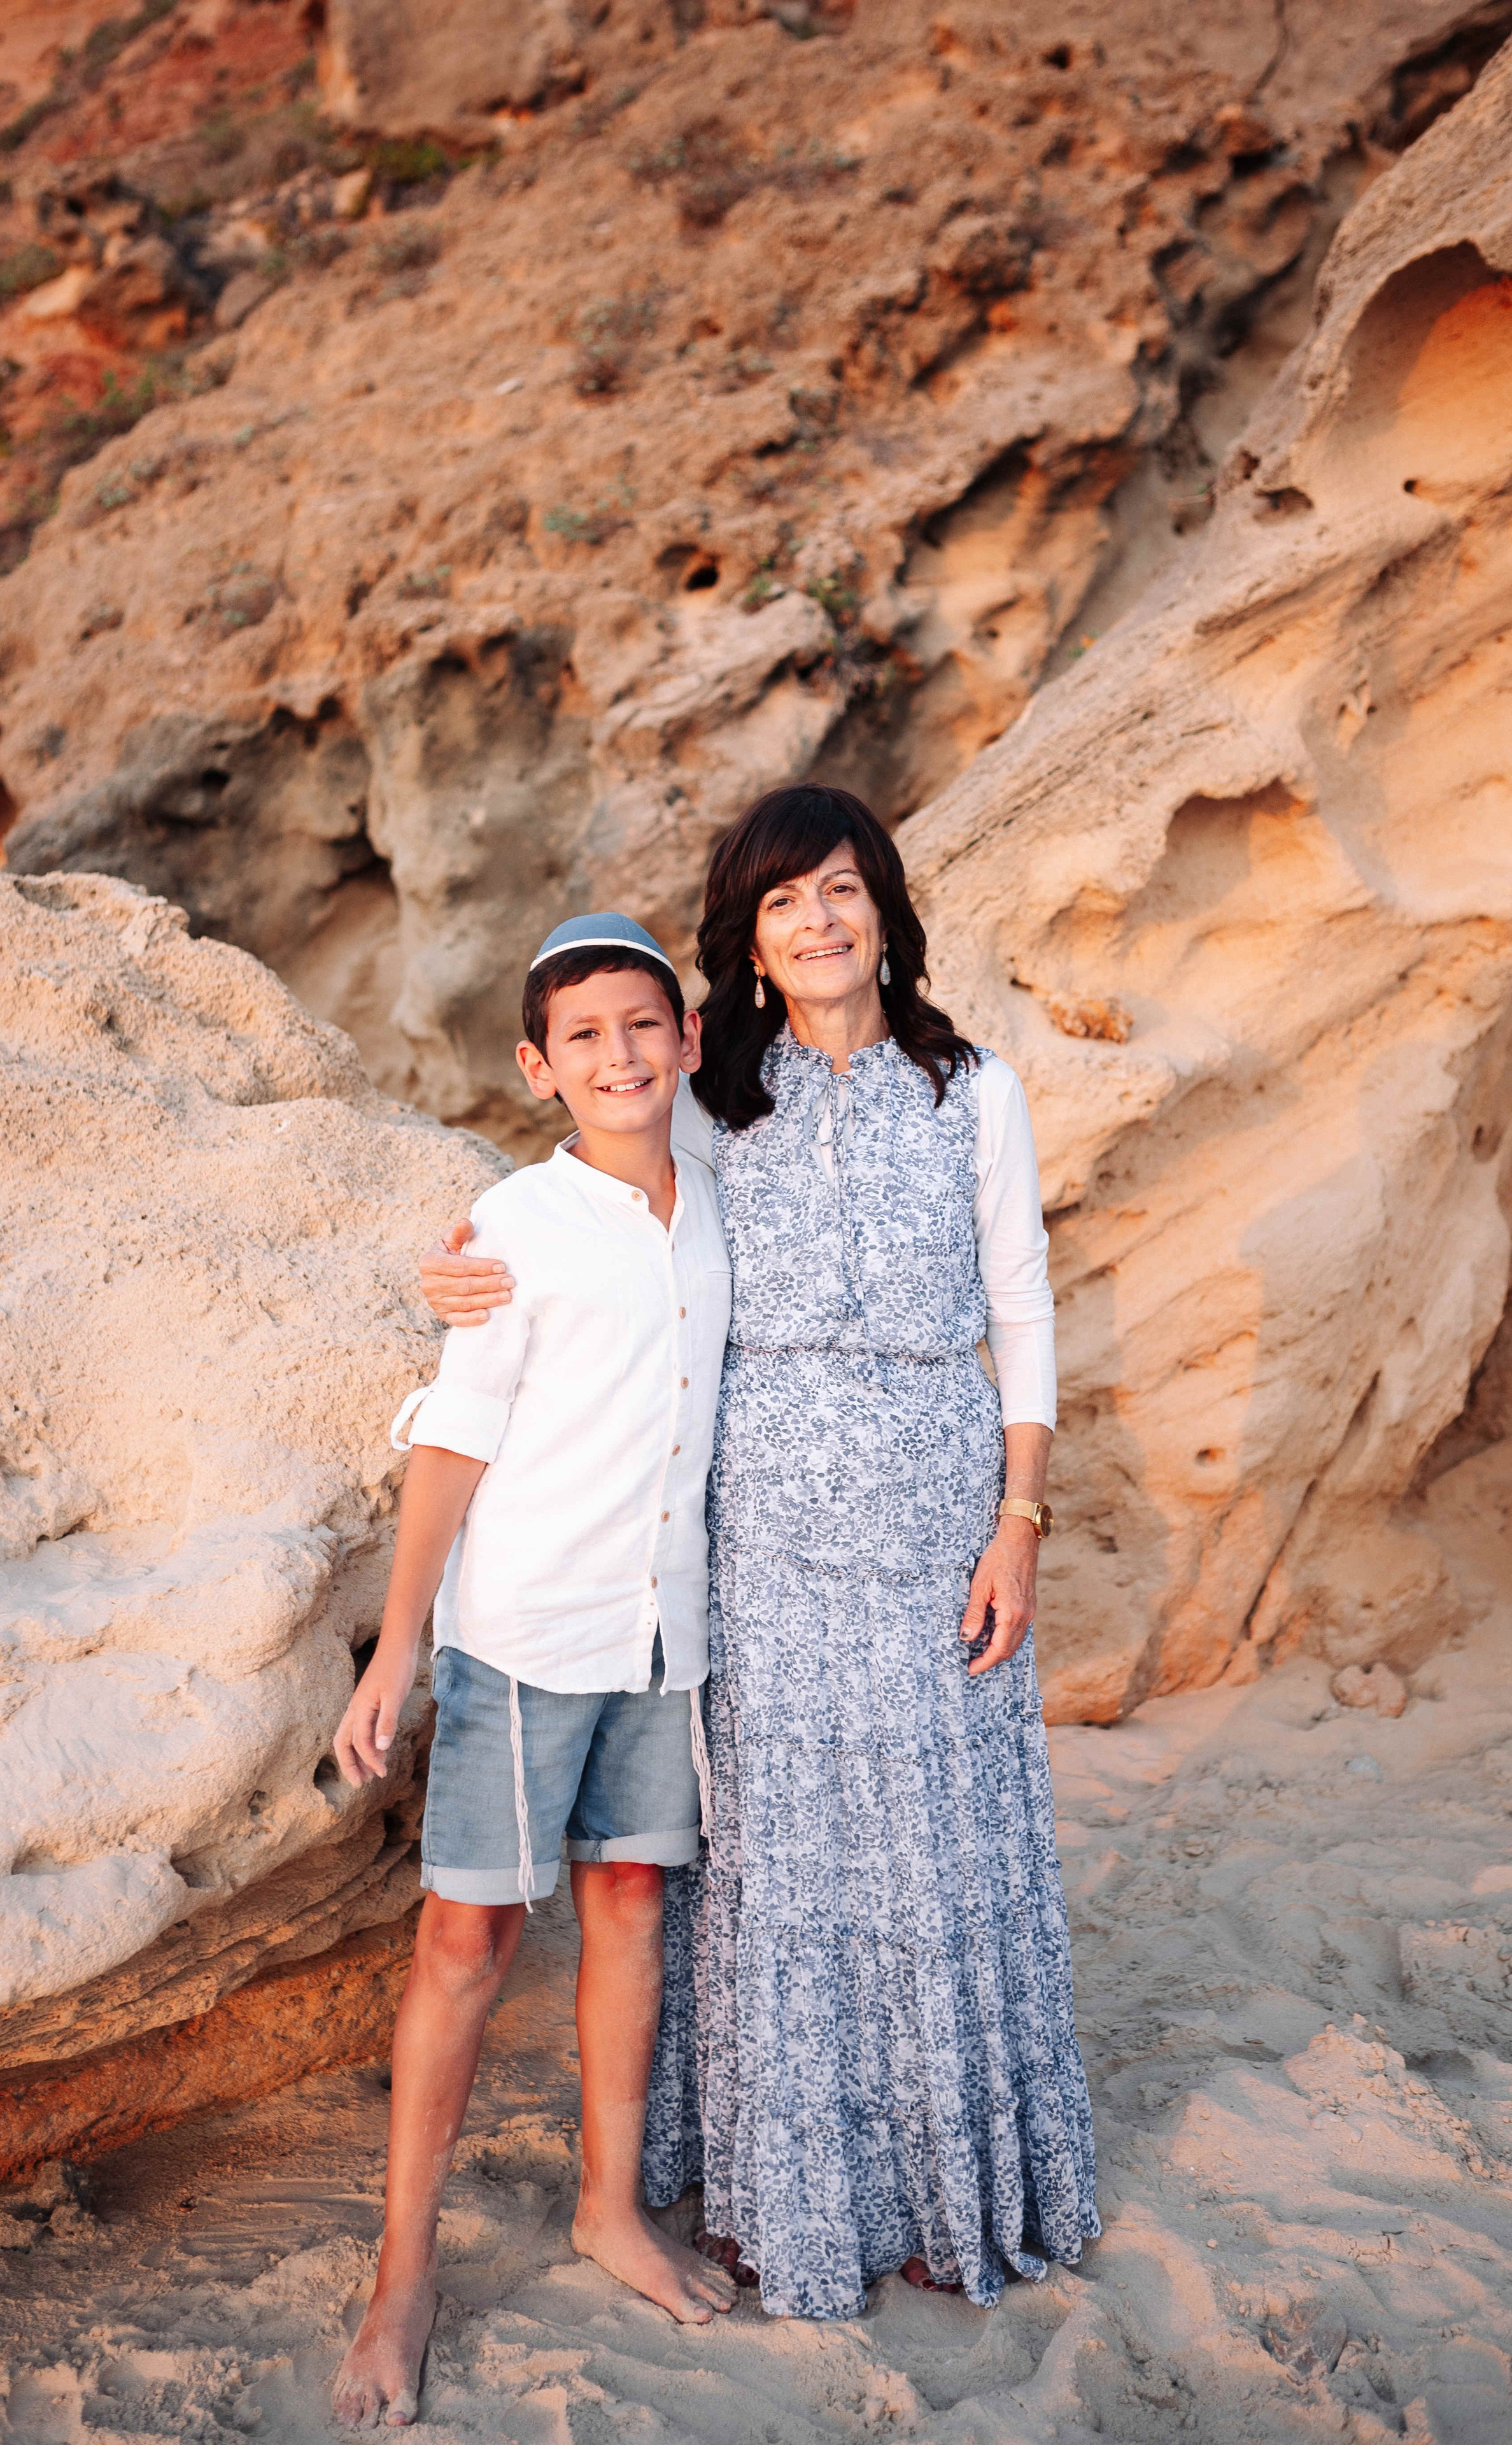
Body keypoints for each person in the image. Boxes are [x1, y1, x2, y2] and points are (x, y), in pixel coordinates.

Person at [420, 786, 1099, 2322]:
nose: (817, 922)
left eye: (841, 889)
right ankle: (790, 2190)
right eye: (783, 901)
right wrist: (460, 1263)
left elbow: (1024, 1313)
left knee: (937, 1851)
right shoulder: (716, 1098)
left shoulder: (974, 1090)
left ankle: (949, 2191)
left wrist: (1020, 1519)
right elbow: (582, 1195)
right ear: (750, 935)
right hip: (765, 1534)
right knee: (783, 1867)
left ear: (884, 909)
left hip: (940, 1515)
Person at [330, 914, 737, 2430]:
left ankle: (606, 2208)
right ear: (535, 1065)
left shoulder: (720, 1201)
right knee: (468, 1943)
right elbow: (453, 1440)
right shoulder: (511, 1224)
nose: (621, 1057)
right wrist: (398, 1647)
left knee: (630, 1904)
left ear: (686, 1041)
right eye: (585, 1039)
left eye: (645, 1028)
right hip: (525, 1635)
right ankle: (400, 2274)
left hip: (663, 1633)